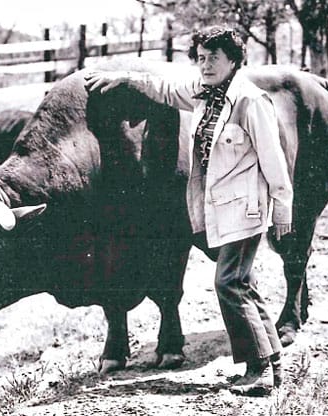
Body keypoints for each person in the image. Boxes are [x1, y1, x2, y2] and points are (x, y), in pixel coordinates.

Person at [85, 26, 293, 396]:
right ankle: (272, 361)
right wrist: (121, 79)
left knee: (228, 283)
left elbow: (273, 161)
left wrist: (282, 210)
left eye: (214, 57)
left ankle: (257, 371)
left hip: (246, 208)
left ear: (234, 60)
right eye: (201, 57)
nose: (206, 64)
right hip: (220, 208)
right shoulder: (203, 94)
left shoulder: (250, 101)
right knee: (241, 283)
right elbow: (163, 89)